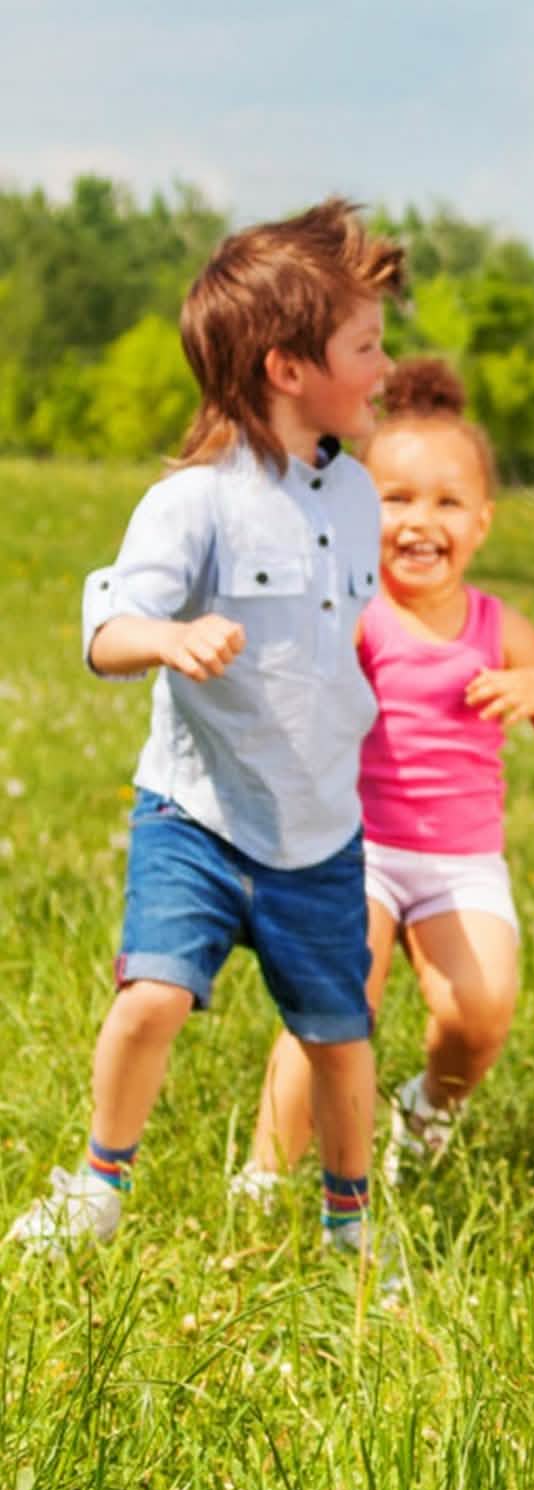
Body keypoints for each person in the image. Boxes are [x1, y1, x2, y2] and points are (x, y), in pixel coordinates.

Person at [7, 200, 405, 1254]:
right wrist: (168, 642)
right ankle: (98, 1183)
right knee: (152, 998)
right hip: (199, 811)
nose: (384, 365)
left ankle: (348, 1220)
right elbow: (104, 623)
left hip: (320, 827)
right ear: (287, 368)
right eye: (365, 346)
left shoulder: (359, 495)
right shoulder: (195, 502)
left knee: (339, 1033)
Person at [235, 358, 534, 1196]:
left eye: (446, 501)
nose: (419, 521)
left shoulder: (503, 627)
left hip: (461, 862)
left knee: (481, 1009)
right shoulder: (358, 615)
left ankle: (428, 1107)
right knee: (333, 1003)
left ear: (483, 521)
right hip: (354, 850)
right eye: (394, 498)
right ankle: (265, 1178)